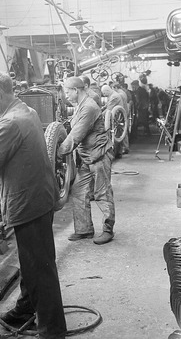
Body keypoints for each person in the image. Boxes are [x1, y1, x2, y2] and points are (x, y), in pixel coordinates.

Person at [0, 71, 67, 339]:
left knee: (40, 269)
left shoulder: (9, 123)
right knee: (33, 262)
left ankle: (52, 332)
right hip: (40, 197)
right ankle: (25, 309)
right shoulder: (27, 110)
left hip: (28, 203)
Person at [58, 76, 116, 245]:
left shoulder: (89, 107)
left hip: (99, 156)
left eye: (68, 92)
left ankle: (108, 230)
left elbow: (76, 135)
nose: (66, 96)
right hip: (87, 158)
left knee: (102, 193)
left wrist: (57, 153)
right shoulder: (80, 106)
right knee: (78, 191)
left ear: (76, 90)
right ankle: (84, 230)